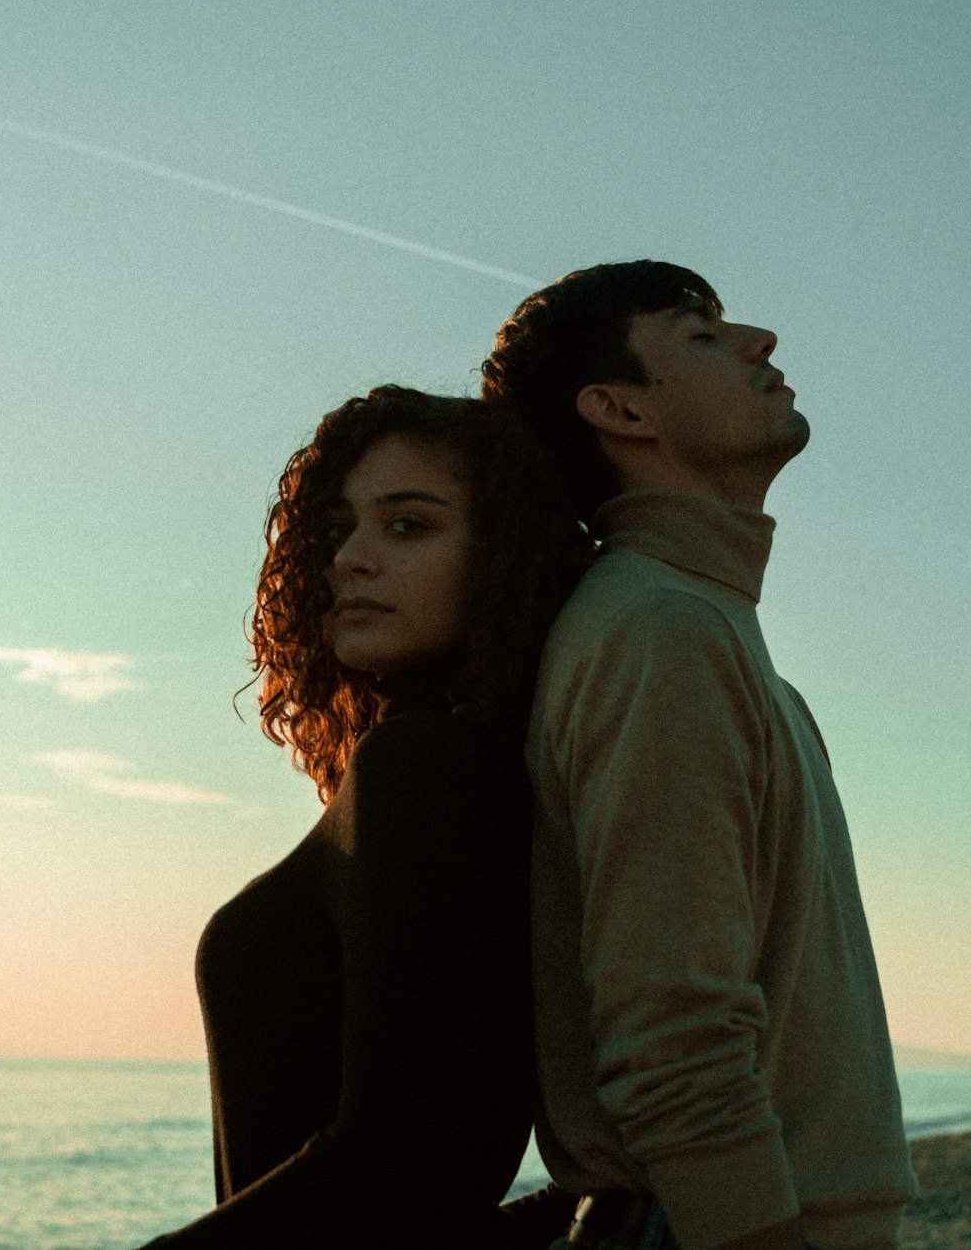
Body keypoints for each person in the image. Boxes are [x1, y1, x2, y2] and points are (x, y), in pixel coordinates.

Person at [480, 261, 918, 1250]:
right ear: (619, 410)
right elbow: (672, 1036)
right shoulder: (660, 632)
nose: (759, 341)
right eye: (702, 334)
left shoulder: (707, 634)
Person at [139, 386, 586, 1249]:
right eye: (340, 528)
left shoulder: (428, 768)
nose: (351, 558)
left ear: (504, 557)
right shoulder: (446, 769)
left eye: (407, 525)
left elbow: (398, 1166)